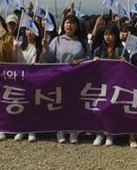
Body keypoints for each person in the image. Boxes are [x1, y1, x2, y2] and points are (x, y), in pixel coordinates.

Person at [40, 14, 90, 144]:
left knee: (74, 104)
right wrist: (45, 48)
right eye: (67, 22)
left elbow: (89, 57)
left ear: (77, 26)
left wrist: (80, 60)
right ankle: (60, 130)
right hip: (59, 77)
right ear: (63, 24)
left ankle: (73, 131)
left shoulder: (82, 42)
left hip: (77, 78)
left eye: (73, 23)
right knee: (60, 104)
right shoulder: (57, 40)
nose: (69, 25)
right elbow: (49, 59)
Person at [92, 23, 125, 147]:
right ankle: (99, 133)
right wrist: (93, 61)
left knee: (112, 108)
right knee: (99, 108)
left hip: (115, 84)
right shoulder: (98, 50)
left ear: (116, 36)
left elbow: (129, 68)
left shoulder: (121, 51)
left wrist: (124, 62)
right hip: (100, 84)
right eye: (106, 34)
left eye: (111, 34)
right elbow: (89, 63)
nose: (108, 37)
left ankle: (110, 133)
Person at [13, 19, 43, 142]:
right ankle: (21, 129)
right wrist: (14, 49)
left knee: (33, 105)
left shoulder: (40, 46)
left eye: (32, 30)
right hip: (21, 79)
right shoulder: (20, 45)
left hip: (36, 80)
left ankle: (32, 129)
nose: (29, 32)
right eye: (27, 29)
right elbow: (14, 61)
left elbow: (45, 62)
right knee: (21, 104)